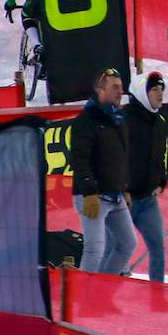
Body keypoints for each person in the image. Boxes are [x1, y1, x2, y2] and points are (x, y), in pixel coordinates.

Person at [68, 67, 133, 275]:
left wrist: (124, 188)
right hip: (93, 195)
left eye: (121, 87)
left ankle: (103, 291)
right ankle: (84, 298)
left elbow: (121, 156)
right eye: (114, 87)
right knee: (95, 248)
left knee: (127, 243)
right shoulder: (86, 120)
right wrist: (89, 192)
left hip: (115, 194)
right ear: (100, 91)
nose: (120, 91)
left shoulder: (118, 118)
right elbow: (79, 159)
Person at [123, 71, 168, 282]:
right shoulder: (124, 120)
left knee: (158, 247)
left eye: (161, 89)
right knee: (117, 251)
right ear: (141, 93)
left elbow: (160, 156)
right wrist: (121, 188)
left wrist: (161, 181)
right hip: (121, 201)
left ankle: (156, 298)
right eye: (153, 89)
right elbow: (113, 157)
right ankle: (105, 299)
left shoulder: (159, 122)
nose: (159, 94)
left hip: (147, 200)